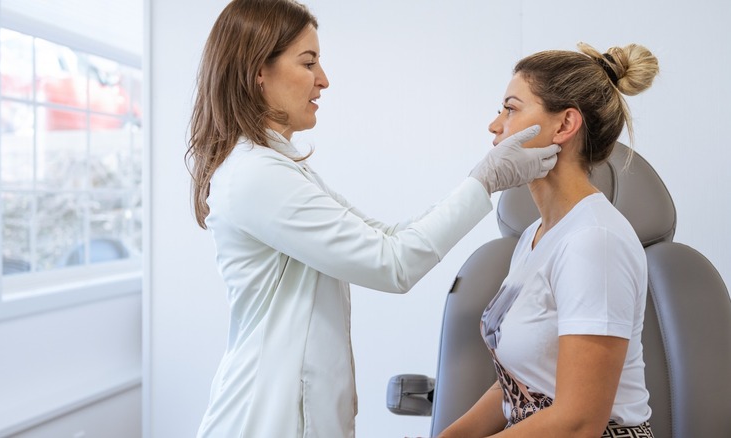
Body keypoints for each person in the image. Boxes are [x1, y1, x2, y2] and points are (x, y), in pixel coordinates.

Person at [186, 0, 560, 437]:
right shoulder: (256, 176)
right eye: (308, 63)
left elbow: (385, 236)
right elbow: (393, 263)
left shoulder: (278, 168)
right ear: (257, 72)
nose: (323, 80)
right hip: (263, 419)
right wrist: (483, 182)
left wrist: (479, 182)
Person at [437, 42, 659, 438]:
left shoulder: (595, 241)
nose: (495, 125)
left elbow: (578, 422)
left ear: (564, 125)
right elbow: (521, 384)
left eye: (510, 108)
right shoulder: (533, 238)